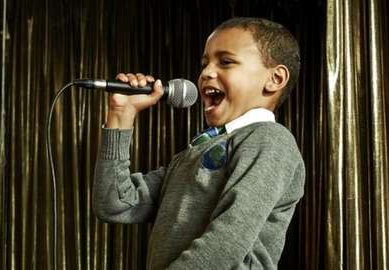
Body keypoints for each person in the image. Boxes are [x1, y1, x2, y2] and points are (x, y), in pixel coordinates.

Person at [93, 17, 305, 270]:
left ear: (275, 79)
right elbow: (114, 204)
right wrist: (121, 115)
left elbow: (227, 240)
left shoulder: (270, 140)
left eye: (226, 62)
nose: (206, 73)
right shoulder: (193, 153)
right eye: (205, 64)